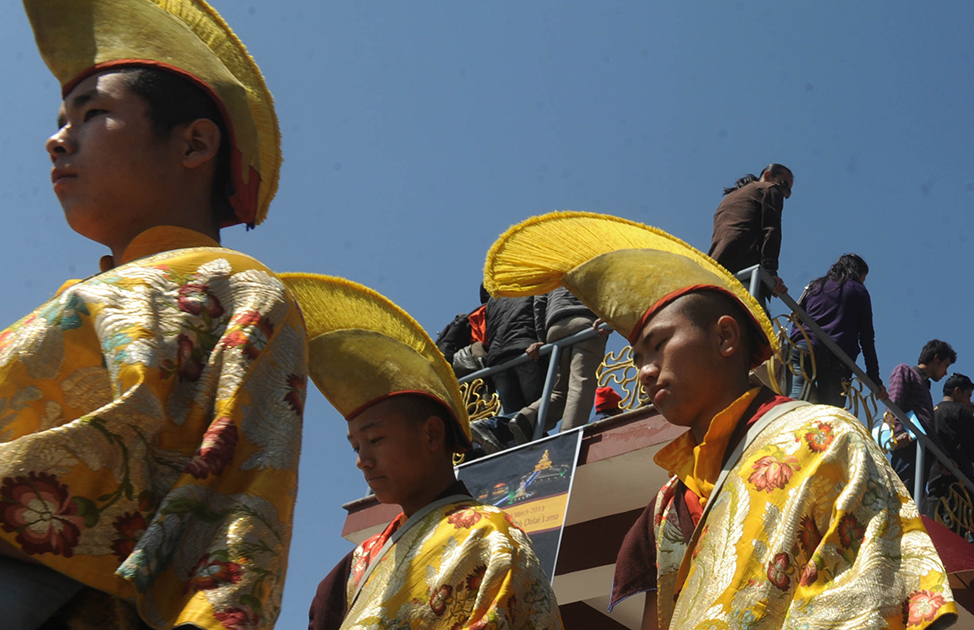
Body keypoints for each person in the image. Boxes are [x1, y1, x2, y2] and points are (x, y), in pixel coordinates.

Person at [483, 212, 956, 629]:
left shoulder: (827, 439)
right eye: (637, 355)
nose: (644, 370)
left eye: (658, 345)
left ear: (726, 337)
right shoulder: (669, 501)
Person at [0, 1, 305, 627]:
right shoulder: (70, 299)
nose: (57, 138)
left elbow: (237, 521)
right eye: (61, 119)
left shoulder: (238, 288)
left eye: (93, 114)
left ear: (194, 143)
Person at [281, 275, 561, 630]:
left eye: (376, 440)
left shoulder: (489, 537)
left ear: (431, 434)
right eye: (356, 446)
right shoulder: (351, 571)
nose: (361, 461)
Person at [786, 253, 880, 406]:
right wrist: (875, 380)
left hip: (804, 346)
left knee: (795, 398)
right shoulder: (858, 291)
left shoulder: (816, 285)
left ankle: (786, 425)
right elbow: (867, 339)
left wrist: (797, 341)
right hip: (835, 357)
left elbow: (797, 318)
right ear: (858, 273)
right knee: (829, 415)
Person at [516, 287, 611, 433]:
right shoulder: (585, 263)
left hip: (554, 328)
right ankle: (568, 436)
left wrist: (542, 339)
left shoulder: (552, 270)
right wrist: (609, 318)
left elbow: (539, 303)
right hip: (585, 322)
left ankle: (528, 416)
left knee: (559, 391)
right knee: (580, 382)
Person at [709, 164, 795, 298]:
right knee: (757, 318)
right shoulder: (770, 189)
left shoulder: (729, 198)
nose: (784, 193)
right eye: (783, 184)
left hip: (716, 265)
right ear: (767, 175)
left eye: (788, 192)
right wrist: (770, 272)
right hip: (745, 267)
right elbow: (771, 231)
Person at [886, 339, 957, 495]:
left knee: (912, 498)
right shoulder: (905, 371)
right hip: (908, 445)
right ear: (936, 359)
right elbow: (893, 403)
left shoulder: (925, 387)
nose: (945, 372)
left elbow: (927, 428)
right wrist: (898, 432)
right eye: (946, 365)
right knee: (901, 496)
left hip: (922, 451)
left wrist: (943, 457)